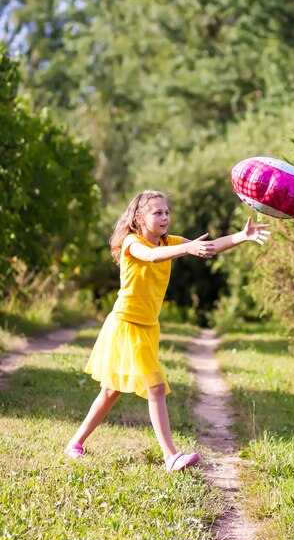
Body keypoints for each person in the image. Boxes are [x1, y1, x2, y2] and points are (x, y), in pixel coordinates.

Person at [65, 190, 270, 471]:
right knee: (156, 387)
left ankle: (74, 443)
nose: (164, 217)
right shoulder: (131, 243)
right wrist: (186, 248)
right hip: (126, 325)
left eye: (166, 212)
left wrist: (241, 237)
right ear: (139, 217)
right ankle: (170, 456)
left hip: (148, 327)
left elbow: (207, 247)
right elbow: (151, 256)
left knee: (111, 391)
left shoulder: (169, 242)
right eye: (157, 213)